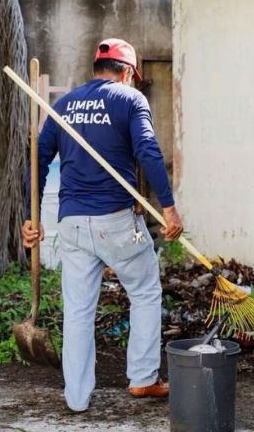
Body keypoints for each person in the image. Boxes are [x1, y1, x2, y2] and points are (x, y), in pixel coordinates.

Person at [22, 38, 184, 412]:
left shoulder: (63, 105)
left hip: (73, 223)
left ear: (97, 68)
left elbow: (38, 158)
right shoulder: (130, 100)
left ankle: (76, 398)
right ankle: (143, 379)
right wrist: (169, 207)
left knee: (78, 309)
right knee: (144, 291)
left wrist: (30, 217)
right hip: (116, 220)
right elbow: (147, 149)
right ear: (127, 73)